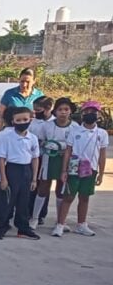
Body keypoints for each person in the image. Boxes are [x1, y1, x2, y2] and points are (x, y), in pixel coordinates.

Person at [53, 100, 107, 237]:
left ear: (98, 114)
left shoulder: (102, 133)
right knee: (68, 197)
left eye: (93, 112)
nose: (90, 114)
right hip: (74, 168)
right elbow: (68, 151)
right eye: (87, 112)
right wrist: (64, 170)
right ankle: (60, 224)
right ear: (82, 114)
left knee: (85, 197)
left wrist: (101, 173)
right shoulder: (75, 131)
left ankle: (81, 224)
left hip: (91, 169)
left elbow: (102, 154)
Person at [0, 107, 40, 240]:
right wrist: (3, 178)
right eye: (18, 120)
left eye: (25, 119)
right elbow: (1, 158)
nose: (22, 122)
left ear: (30, 120)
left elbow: (35, 158)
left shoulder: (32, 138)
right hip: (12, 169)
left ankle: (23, 228)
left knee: (24, 201)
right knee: (7, 201)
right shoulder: (7, 137)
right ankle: (1, 226)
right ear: (13, 121)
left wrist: (34, 178)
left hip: (26, 170)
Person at [31, 96, 75, 229]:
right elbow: (39, 141)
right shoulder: (47, 126)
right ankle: (34, 218)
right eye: (60, 109)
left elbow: (76, 145)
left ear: (70, 111)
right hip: (48, 159)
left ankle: (60, 220)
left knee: (61, 190)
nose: (63, 112)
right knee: (43, 188)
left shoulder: (74, 127)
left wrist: (62, 146)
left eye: (66, 109)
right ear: (55, 111)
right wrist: (47, 145)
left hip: (65, 161)